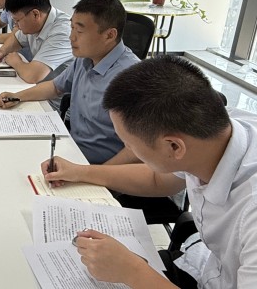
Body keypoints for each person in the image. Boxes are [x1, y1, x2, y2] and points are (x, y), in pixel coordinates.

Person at [40, 56, 257, 289]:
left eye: (130, 144)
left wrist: (132, 271)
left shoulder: (251, 211)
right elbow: (157, 179)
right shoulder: (212, 131)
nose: (128, 150)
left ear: (174, 147)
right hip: (209, 268)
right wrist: (80, 172)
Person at [0, 0, 140, 164]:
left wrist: (92, 174)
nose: (71, 37)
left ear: (109, 35)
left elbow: (137, 150)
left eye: (79, 31)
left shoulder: (132, 78)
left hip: (100, 167)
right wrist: (17, 96)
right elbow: (55, 86)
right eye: (71, 28)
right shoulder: (85, 58)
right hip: (72, 150)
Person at [0, 0, 73, 83]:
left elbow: (32, 76)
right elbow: (17, 39)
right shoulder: (34, 22)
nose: (16, 26)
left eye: (17, 20)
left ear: (35, 14)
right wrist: (2, 51)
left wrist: (16, 62)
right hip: (42, 87)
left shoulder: (63, 33)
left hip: (57, 92)